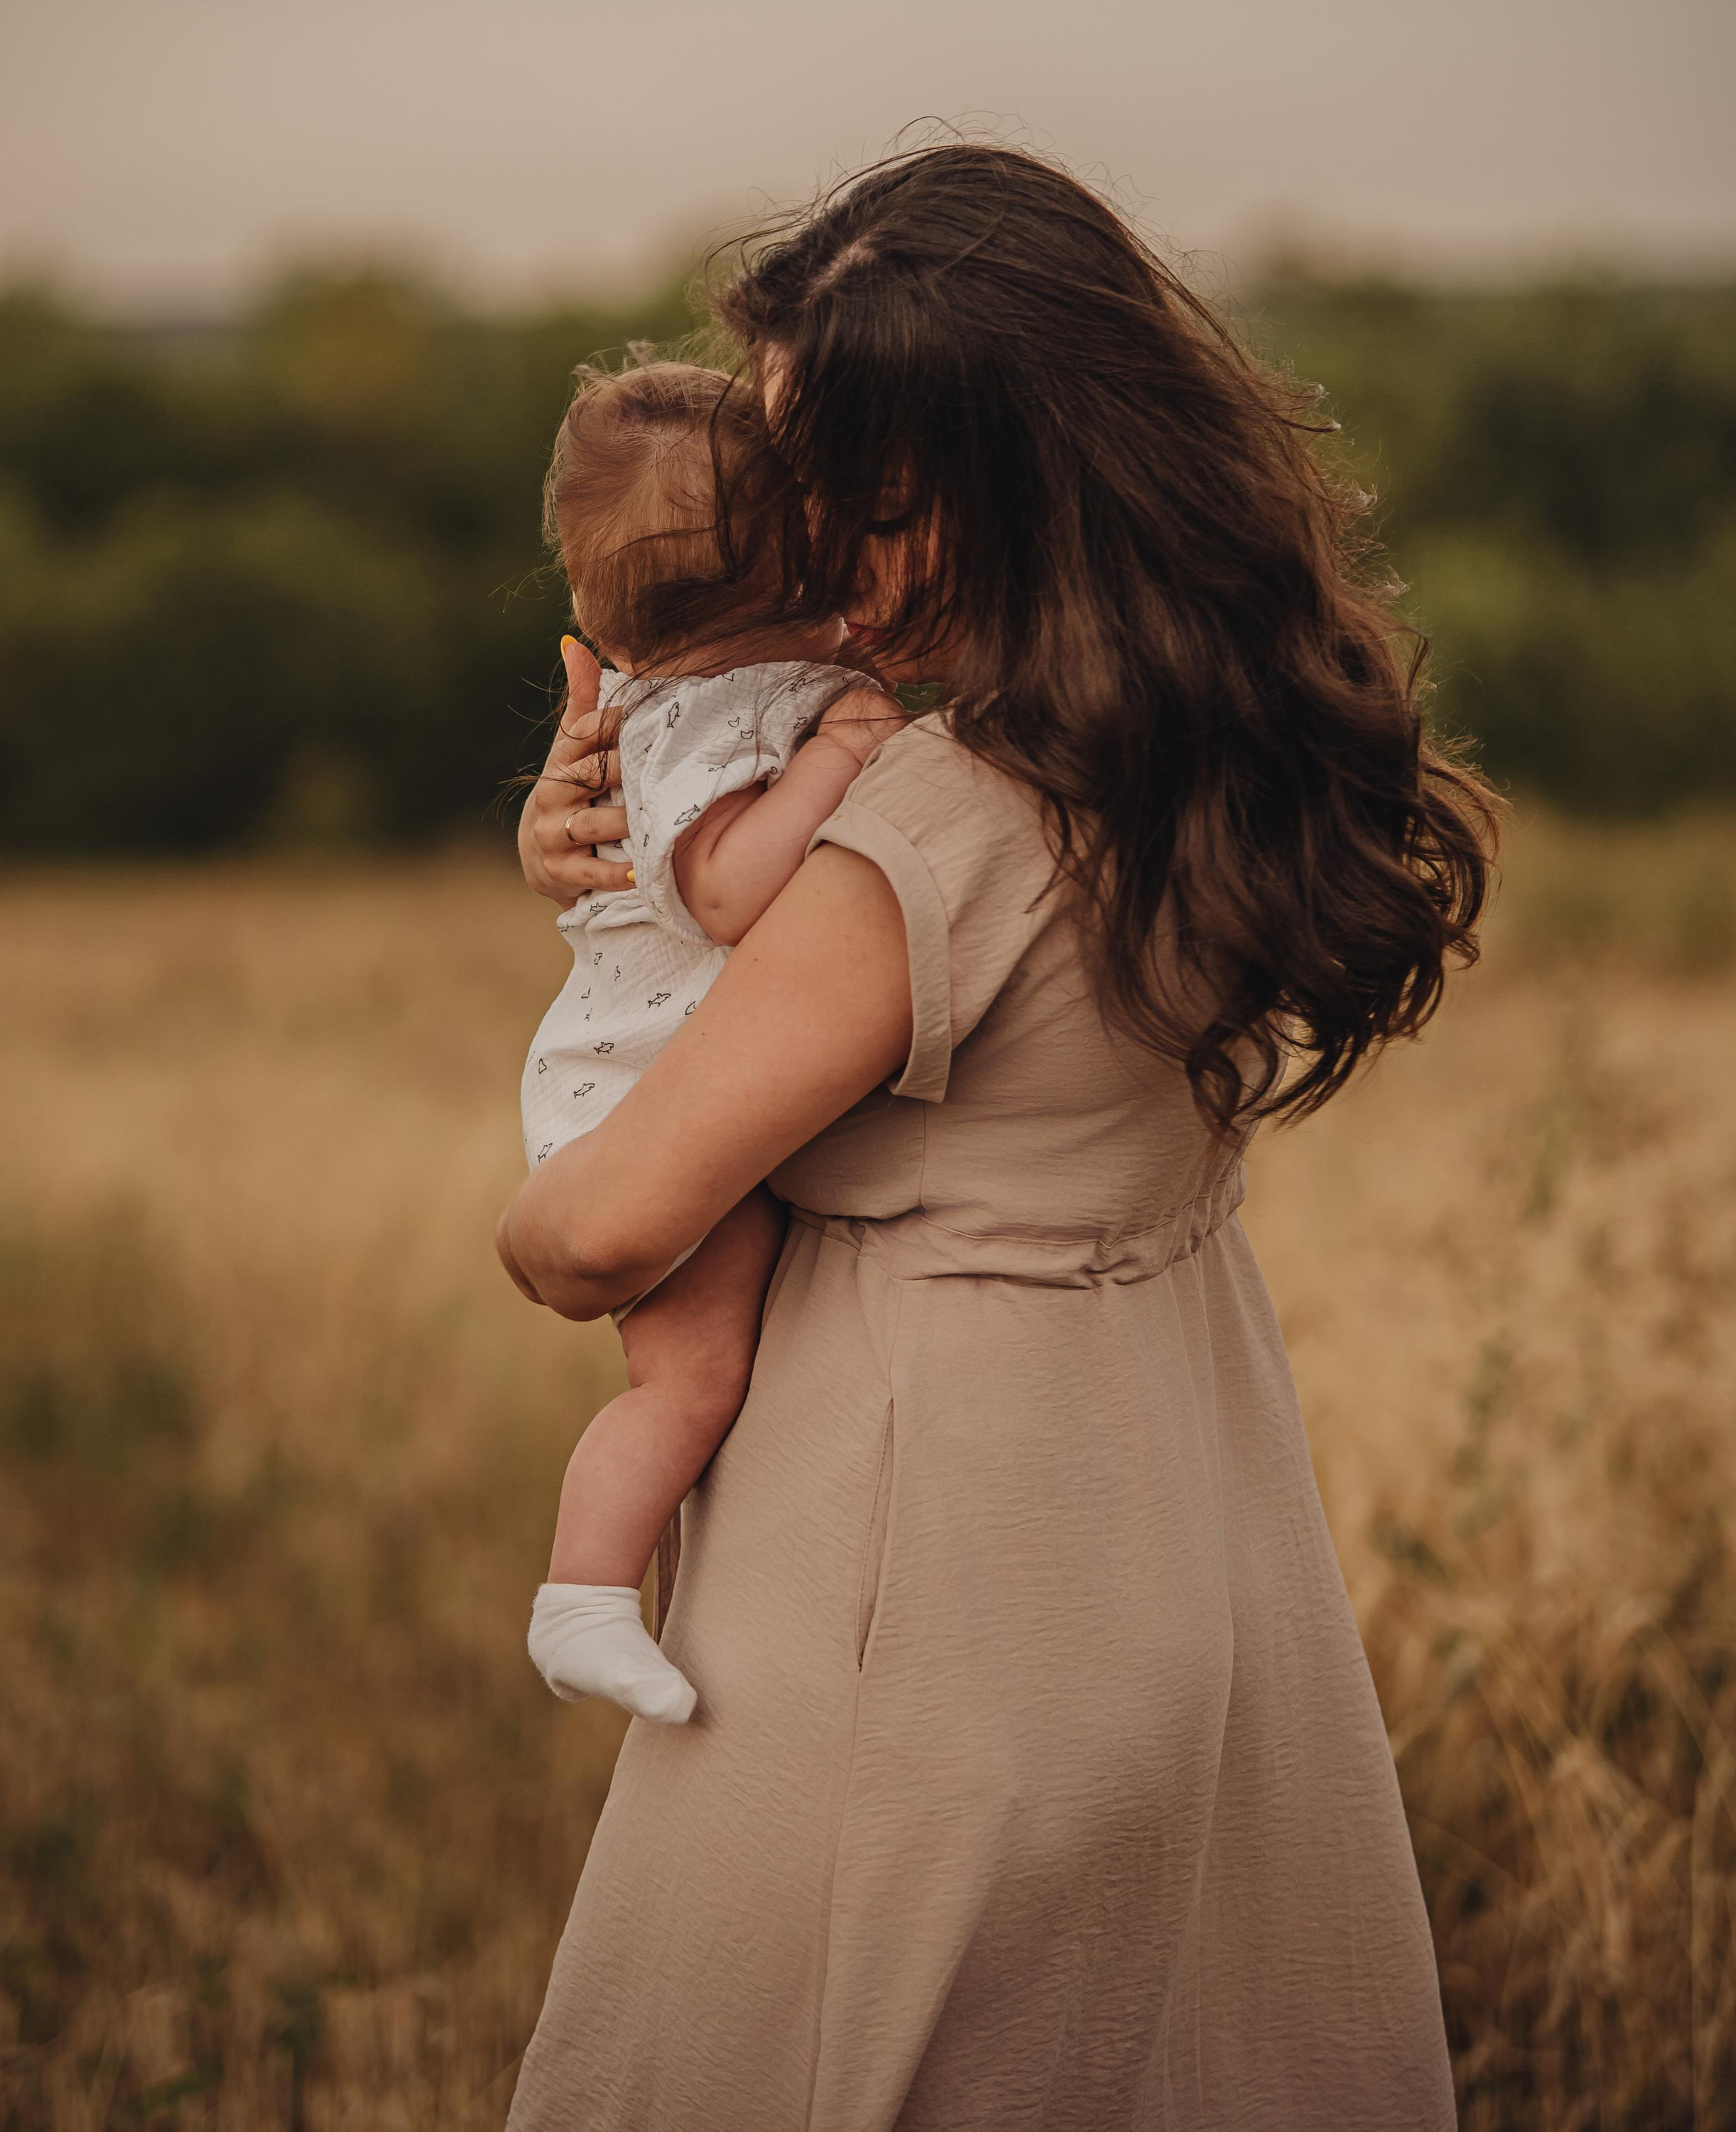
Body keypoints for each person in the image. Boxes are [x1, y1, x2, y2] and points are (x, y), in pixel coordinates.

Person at [497, 146, 1492, 2131]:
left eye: (841, 494)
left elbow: (602, 1237)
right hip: (1182, 1494)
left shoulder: (916, 840)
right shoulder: (1216, 744)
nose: (793, 549)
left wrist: (556, 1144)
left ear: (989, 484)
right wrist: (620, 859)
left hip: (920, 1545)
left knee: (835, 2049)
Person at [514, 359, 902, 1726]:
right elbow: (730, 888)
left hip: (667, 1062)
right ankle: (583, 1596)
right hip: (641, 1090)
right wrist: (839, 759)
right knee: (691, 1374)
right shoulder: (711, 724)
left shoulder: (708, 690)